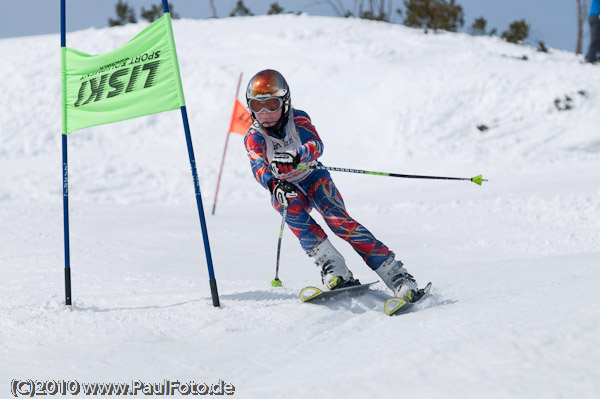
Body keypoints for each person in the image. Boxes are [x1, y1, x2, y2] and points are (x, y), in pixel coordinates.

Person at [243, 69, 421, 300]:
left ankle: (396, 274)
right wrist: (273, 184)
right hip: (288, 187)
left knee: (338, 221)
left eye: (272, 104)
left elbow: (316, 144)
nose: (265, 113)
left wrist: (296, 156)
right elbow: (258, 166)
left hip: (314, 179)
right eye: (258, 106)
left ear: (285, 102)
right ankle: (333, 265)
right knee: (286, 204)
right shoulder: (253, 136)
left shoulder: (297, 119)